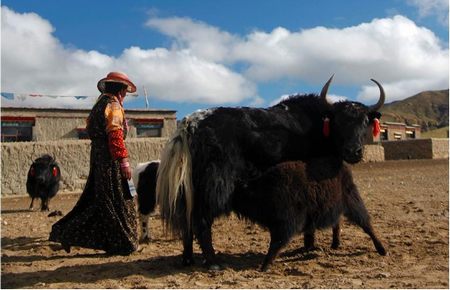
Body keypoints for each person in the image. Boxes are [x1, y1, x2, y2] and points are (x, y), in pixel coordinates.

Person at [49, 72, 138, 255]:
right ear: (120, 90)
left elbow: (91, 130)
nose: (125, 96)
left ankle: (67, 233)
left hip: (98, 158)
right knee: (116, 202)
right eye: (125, 92)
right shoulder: (113, 106)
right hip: (110, 161)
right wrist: (124, 162)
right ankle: (122, 243)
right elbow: (115, 135)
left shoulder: (98, 106)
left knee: (98, 200)